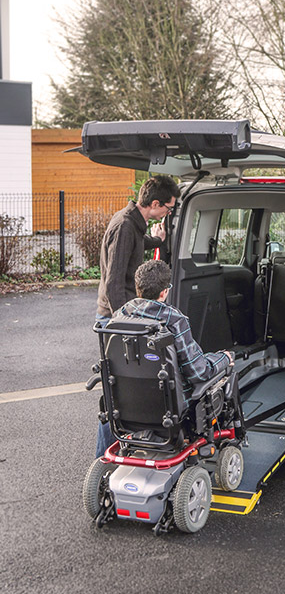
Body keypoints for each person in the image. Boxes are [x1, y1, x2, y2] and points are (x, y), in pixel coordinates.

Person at [95, 260, 232, 455]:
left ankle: (102, 459)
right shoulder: (174, 320)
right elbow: (198, 372)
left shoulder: (118, 318)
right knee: (221, 370)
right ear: (164, 291)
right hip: (169, 407)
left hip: (125, 405)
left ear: (138, 288)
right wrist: (224, 359)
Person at [95, 174, 181, 455]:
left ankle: (126, 451)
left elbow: (135, 246)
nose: (168, 212)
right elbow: (113, 282)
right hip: (116, 320)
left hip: (123, 318)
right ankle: (104, 458)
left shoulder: (132, 223)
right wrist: (126, 323)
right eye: (168, 208)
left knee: (131, 392)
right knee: (118, 395)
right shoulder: (124, 226)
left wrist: (156, 242)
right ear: (154, 204)